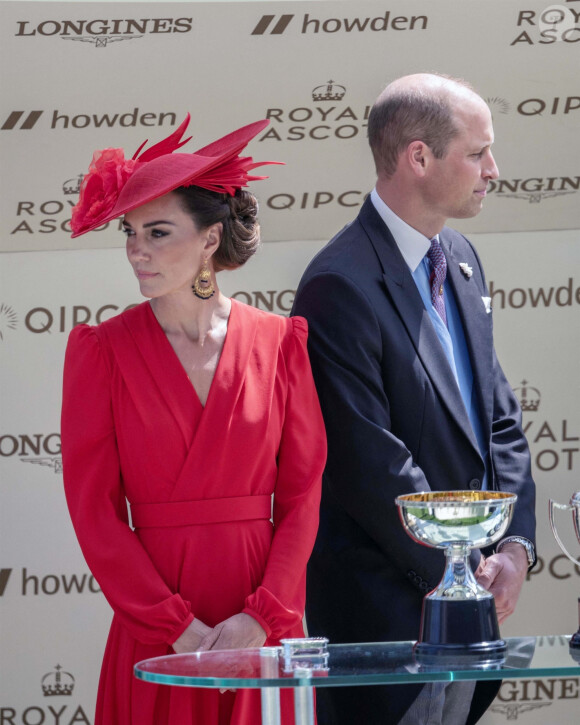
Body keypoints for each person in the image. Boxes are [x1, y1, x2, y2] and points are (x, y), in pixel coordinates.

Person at [61, 115, 326, 725]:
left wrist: (261, 617)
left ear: (211, 239)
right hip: (157, 630)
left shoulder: (281, 342)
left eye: (157, 232)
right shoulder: (100, 351)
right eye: (129, 233)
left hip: (263, 620)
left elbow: (304, 494)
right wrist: (173, 627)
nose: (137, 250)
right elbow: (94, 511)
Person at [292, 73, 536, 725]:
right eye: (477, 153)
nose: (494, 169)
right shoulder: (338, 284)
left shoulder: (460, 257)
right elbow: (369, 462)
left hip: (464, 620)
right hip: (387, 626)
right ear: (418, 157)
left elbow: (499, 420)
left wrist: (513, 548)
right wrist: (459, 574)